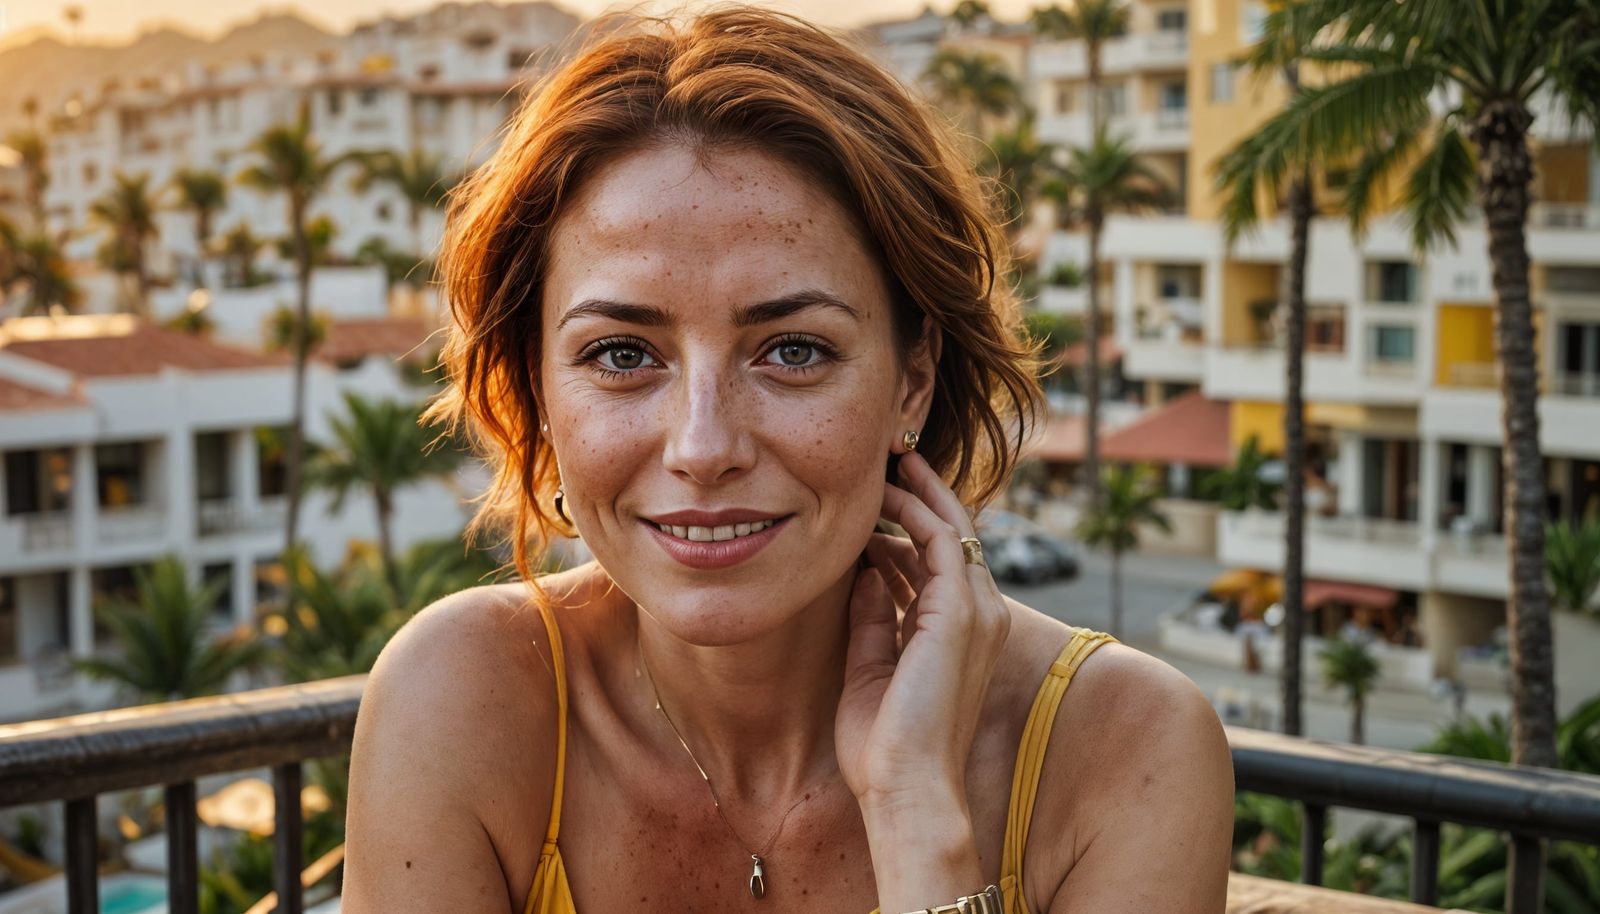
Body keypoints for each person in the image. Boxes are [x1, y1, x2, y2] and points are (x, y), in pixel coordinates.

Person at [341, 8, 1233, 913]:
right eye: (622, 354)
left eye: (793, 350)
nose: (703, 448)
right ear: (539, 387)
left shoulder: (1126, 749)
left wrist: (918, 815)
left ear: (912, 382)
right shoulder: (461, 703)